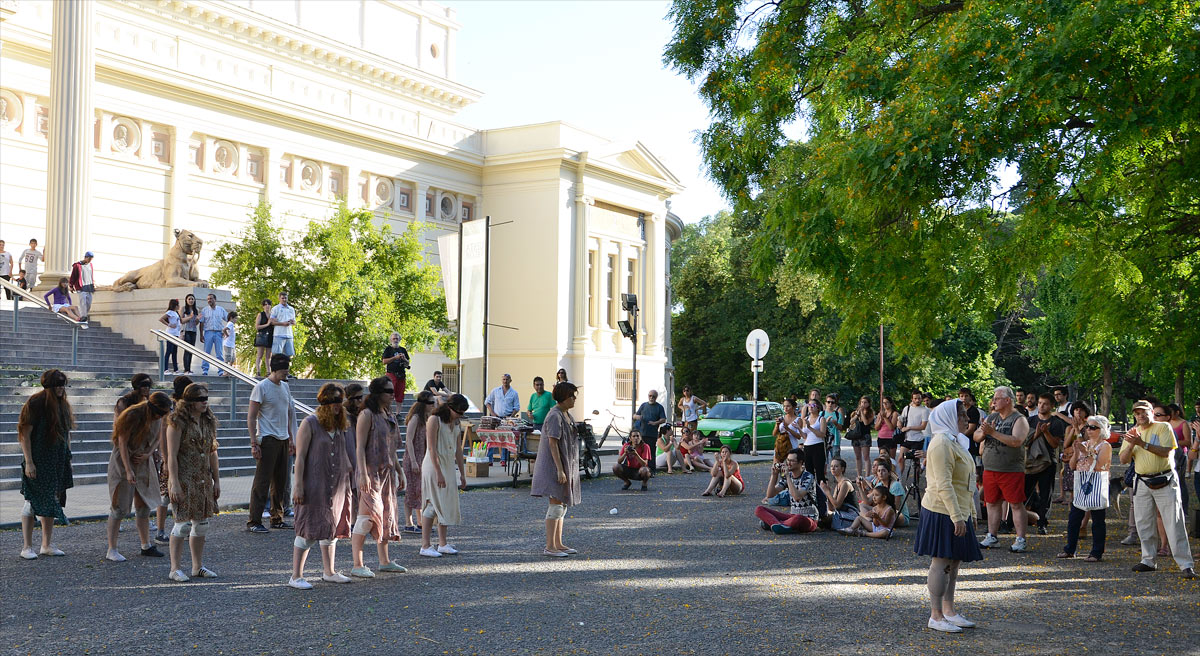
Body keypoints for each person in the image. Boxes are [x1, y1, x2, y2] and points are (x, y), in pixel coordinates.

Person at [915, 399, 981, 633]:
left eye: (965, 415)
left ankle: (949, 611)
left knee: (954, 562)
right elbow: (943, 484)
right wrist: (956, 516)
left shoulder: (956, 441)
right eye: (961, 415)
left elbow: (967, 481)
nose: (966, 419)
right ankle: (936, 615)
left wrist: (970, 512)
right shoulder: (942, 442)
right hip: (942, 510)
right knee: (941, 561)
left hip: (957, 510)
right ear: (949, 418)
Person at [288, 383, 354, 589]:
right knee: (308, 527)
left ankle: (329, 572)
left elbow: (344, 453)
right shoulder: (310, 423)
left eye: (339, 401)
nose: (337, 405)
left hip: (336, 484)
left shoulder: (340, 425)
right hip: (314, 483)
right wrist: (297, 485)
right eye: (333, 401)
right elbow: (300, 458)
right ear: (324, 402)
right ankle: (296, 576)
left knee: (331, 527)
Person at [1120, 399, 1196, 578]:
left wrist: (1143, 443)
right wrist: (1132, 443)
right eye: (1137, 413)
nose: (1141, 416)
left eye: (1144, 412)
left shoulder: (1163, 428)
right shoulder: (1132, 433)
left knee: (1174, 522)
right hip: (1142, 482)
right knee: (1143, 522)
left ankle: (1185, 564)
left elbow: (1167, 451)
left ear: (1151, 412)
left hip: (1165, 479)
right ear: (1134, 415)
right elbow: (1123, 459)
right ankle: (1148, 560)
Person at [106, 392, 172, 562]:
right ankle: (112, 548)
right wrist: (128, 470)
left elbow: (158, 438)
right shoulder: (132, 415)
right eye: (161, 412)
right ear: (152, 408)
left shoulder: (159, 417)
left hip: (144, 461)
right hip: (124, 460)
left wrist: (149, 454)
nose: (163, 416)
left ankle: (146, 545)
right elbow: (121, 442)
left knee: (144, 505)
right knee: (119, 506)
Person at [164, 382, 220, 582]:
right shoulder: (177, 422)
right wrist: (174, 482)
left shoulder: (208, 421)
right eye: (199, 399)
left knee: (202, 524)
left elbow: (213, 451)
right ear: (189, 401)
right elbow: (171, 456)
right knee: (182, 525)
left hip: (203, 478)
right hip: (184, 477)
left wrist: (217, 480)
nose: (204, 402)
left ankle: (198, 566)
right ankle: (175, 568)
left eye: (206, 398)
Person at [17, 369, 75, 560]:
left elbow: (66, 433)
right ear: (49, 385)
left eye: (62, 384)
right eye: (57, 384)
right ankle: (26, 547)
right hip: (38, 459)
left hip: (57, 460)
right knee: (31, 501)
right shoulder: (36, 403)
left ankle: (46, 545)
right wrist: (29, 462)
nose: (61, 388)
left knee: (52, 499)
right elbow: (24, 434)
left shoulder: (62, 405)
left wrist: (68, 458)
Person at [350, 377, 405, 577]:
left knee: (386, 515)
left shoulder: (388, 413)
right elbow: (359, 447)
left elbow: (391, 448)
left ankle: (385, 561)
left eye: (393, 391)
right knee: (366, 518)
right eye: (389, 391)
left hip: (387, 473)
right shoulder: (367, 414)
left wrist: (400, 471)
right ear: (378, 393)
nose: (393, 394)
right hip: (370, 473)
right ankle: (358, 564)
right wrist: (362, 473)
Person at [975, 386, 1032, 553]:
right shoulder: (992, 416)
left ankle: (1021, 538)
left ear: (1008, 400)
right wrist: (985, 433)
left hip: (1011, 469)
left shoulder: (1019, 419)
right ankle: (992, 536)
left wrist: (992, 432)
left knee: (1015, 503)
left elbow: (1017, 441)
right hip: (991, 468)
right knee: (992, 503)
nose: (994, 401)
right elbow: (976, 436)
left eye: (997, 398)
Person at [246, 353, 297, 533]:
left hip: (283, 438)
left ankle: (277, 517)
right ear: (275, 368)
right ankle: (254, 520)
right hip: (267, 439)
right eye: (284, 369)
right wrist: (254, 442)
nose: (287, 373)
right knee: (262, 482)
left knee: (281, 482)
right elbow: (252, 417)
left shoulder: (285, 387)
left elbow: (288, 413)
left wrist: (291, 437)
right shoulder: (261, 387)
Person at [532, 381, 583, 556]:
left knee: (561, 504)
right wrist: (560, 470)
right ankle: (550, 546)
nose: (574, 399)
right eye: (571, 396)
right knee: (555, 505)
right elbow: (553, 443)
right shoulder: (555, 415)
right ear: (563, 398)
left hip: (564, 464)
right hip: (554, 466)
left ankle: (558, 543)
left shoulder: (565, 414)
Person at [419, 393, 470, 558]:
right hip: (433, 465)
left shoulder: (455, 423)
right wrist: (438, 472)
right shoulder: (434, 420)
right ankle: (425, 545)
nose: (461, 415)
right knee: (432, 504)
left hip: (447, 466)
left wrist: (462, 474)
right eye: (459, 412)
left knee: (446, 503)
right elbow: (432, 448)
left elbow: (458, 450)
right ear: (450, 407)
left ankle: (442, 543)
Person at [1057, 415, 1113, 562]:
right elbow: (1072, 465)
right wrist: (1077, 451)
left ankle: (1096, 552)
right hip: (1082, 482)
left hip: (1096, 483)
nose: (1089, 430)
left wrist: (1087, 453)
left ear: (1102, 430)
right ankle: (1070, 549)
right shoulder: (1085, 443)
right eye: (1088, 426)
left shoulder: (1105, 446)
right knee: (1074, 517)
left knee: (1098, 519)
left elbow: (1100, 465)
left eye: (1093, 427)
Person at [152, 375, 192, 543]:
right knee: (165, 495)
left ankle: (184, 526)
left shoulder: (188, 407)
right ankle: (160, 530)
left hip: (184, 456)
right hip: (170, 456)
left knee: (183, 492)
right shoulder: (171, 408)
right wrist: (165, 458)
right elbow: (162, 433)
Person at [1025, 393, 1066, 536]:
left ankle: (1042, 522)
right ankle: (1013, 520)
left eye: (1045, 404)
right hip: (1030, 462)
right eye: (1040, 403)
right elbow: (1024, 442)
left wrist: (1046, 432)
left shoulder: (1056, 423)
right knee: (1023, 492)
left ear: (1051, 406)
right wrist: (1036, 434)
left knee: (1045, 494)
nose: (1042, 406)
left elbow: (1055, 444)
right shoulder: (1029, 421)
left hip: (1048, 462)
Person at [754, 449, 819, 534]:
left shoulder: (808, 477)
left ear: (801, 462)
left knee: (798, 519)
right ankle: (779, 525)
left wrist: (788, 476)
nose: (788, 463)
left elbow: (797, 497)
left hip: (809, 518)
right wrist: (774, 475)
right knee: (759, 509)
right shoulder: (789, 475)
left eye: (792, 461)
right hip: (792, 516)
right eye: (788, 460)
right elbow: (770, 495)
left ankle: (774, 523)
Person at [402, 390, 435, 534]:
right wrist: (414, 461)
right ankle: (409, 523)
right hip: (413, 458)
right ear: (424, 404)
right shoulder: (415, 418)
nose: (433, 405)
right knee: (411, 491)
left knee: (420, 491)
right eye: (431, 402)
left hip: (422, 457)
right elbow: (408, 439)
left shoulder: (426, 418)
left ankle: (421, 522)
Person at [862, 457, 909, 527]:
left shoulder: (895, 485)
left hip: (896, 514)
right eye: (879, 471)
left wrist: (879, 511)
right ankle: (870, 521)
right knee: (862, 505)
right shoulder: (879, 485)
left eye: (883, 471)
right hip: (882, 513)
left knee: (890, 513)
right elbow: (867, 502)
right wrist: (860, 487)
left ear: (889, 473)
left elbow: (896, 508)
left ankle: (870, 523)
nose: (880, 473)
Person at [342, 382, 365, 521]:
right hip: (347, 455)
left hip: (357, 455)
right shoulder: (343, 415)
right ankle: (346, 521)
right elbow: (340, 441)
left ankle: (353, 521)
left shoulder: (360, 413)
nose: (361, 400)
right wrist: (346, 460)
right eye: (358, 397)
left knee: (357, 491)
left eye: (362, 397)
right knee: (347, 491)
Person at [1165, 403, 1193, 518]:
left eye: (1170, 412)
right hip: (1168, 455)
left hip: (1180, 456)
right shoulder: (1166, 423)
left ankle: (1184, 509)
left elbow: (1188, 442)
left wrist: (1173, 442)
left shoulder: (1183, 424)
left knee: (1180, 482)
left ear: (1177, 412)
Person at [897, 391, 930, 479]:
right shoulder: (907, 408)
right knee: (901, 458)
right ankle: (898, 479)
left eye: (919, 398)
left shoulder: (924, 410)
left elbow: (923, 426)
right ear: (912, 399)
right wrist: (899, 422)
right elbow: (901, 418)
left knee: (916, 462)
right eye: (915, 398)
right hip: (907, 438)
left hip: (918, 439)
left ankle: (916, 481)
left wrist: (909, 427)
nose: (917, 400)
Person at [633, 390, 667, 472]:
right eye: (650, 396)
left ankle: (652, 470)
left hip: (652, 434)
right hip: (641, 433)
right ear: (648, 396)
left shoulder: (659, 407)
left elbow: (663, 419)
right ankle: (638, 469)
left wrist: (655, 423)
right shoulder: (644, 405)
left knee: (651, 452)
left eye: (653, 396)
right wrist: (638, 417)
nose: (651, 398)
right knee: (639, 451)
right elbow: (634, 415)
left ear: (656, 397)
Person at [820, 457, 858, 529]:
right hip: (842, 513)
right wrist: (827, 495)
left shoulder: (845, 483)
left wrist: (827, 492)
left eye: (836, 466)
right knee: (823, 513)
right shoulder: (838, 484)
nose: (833, 468)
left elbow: (837, 505)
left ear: (842, 469)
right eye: (831, 466)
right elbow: (832, 508)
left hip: (852, 515)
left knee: (824, 518)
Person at [846, 396, 875, 479]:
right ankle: (859, 475)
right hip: (856, 436)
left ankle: (867, 476)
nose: (863, 404)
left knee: (866, 456)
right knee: (858, 457)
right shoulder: (856, 412)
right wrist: (856, 415)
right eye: (862, 402)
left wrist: (862, 412)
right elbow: (851, 422)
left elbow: (866, 423)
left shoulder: (870, 413)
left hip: (865, 436)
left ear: (868, 404)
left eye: (865, 402)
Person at [199, 293, 227, 376]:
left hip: (218, 332)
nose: (209, 300)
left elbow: (228, 319)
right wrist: (201, 334)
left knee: (219, 353)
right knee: (206, 352)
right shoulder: (204, 310)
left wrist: (226, 331)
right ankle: (205, 370)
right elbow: (201, 323)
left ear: (215, 299)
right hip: (208, 332)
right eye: (208, 299)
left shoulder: (221, 310)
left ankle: (221, 371)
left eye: (211, 299)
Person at [799, 399, 828, 483]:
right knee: (809, 471)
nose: (810, 407)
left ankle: (822, 491)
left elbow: (822, 434)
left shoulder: (821, 419)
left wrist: (810, 427)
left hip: (818, 446)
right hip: (807, 446)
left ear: (818, 407)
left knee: (819, 471)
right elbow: (804, 436)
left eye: (813, 405)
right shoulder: (806, 419)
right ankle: (811, 491)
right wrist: (799, 428)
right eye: (809, 405)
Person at [381, 332, 409, 404]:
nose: (395, 340)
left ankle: (398, 413)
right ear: (391, 340)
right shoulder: (388, 349)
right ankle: (388, 411)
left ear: (399, 340)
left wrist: (404, 359)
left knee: (400, 395)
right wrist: (395, 358)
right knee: (389, 392)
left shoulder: (403, 350)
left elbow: (407, 363)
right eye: (394, 339)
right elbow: (384, 361)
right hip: (391, 374)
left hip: (401, 374)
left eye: (397, 338)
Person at [68, 251, 95, 322]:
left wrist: (93, 283)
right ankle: (83, 316)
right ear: (85, 257)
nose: (90, 260)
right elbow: (73, 276)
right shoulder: (77, 265)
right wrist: (71, 285)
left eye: (91, 259)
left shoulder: (90, 265)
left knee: (88, 304)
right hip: (81, 287)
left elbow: (91, 275)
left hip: (89, 287)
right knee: (83, 302)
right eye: (89, 259)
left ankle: (84, 315)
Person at [821, 393, 848, 461]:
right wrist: (826, 422)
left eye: (832, 402)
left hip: (835, 441)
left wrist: (835, 423)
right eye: (828, 402)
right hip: (824, 440)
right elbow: (818, 427)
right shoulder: (821, 414)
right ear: (825, 403)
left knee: (836, 460)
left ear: (835, 404)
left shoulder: (837, 414)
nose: (830, 404)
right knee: (823, 461)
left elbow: (841, 428)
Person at [270, 291, 297, 356]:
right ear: (279, 299)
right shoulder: (275, 309)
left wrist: (293, 322)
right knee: (276, 355)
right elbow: (271, 322)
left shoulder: (291, 309)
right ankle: (275, 366)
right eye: (282, 298)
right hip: (278, 335)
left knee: (289, 355)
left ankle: (286, 366)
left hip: (289, 335)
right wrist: (283, 323)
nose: (284, 300)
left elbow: (294, 322)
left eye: (285, 298)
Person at [159, 299, 182, 375]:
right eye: (178, 304)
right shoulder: (170, 312)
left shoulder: (176, 313)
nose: (179, 306)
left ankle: (176, 369)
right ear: (175, 305)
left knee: (175, 352)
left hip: (176, 334)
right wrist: (169, 325)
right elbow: (161, 319)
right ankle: (165, 369)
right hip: (170, 333)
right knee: (169, 351)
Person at [180, 293, 200, 375]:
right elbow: (181, 321)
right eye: (189, 299)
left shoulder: (196, 310)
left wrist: (198, 319)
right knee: (187, 350)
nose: (191, 300)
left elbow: (196, 323)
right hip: (186, 330)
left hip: (193, 331)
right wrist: (190, 317)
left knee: (191, 350)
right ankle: (186, 369)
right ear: (186, 300)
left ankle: (189, 368)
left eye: (192, 299)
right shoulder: (183, 308)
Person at [253, 299, 272, 376]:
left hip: (270, 336)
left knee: (268, 356)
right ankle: (258, 371)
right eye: (265, 304)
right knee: (260, 355)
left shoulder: (272, 315)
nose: (267, 306)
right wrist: (267, 324)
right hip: (262, 336)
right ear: (263, 306)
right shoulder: (260, 315)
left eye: (268, 304)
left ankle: (268, 371)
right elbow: (257, 327)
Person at [219, 310, 238, 375]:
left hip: (231, 344)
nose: (236, 320)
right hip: (228, 344)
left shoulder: (232, 325)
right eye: (235, 318)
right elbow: (224, 329)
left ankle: (229, 371)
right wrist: (226, 335)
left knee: (232, 359)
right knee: (227, 358)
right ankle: (225, 371)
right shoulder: (230, 323)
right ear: (231, 318)